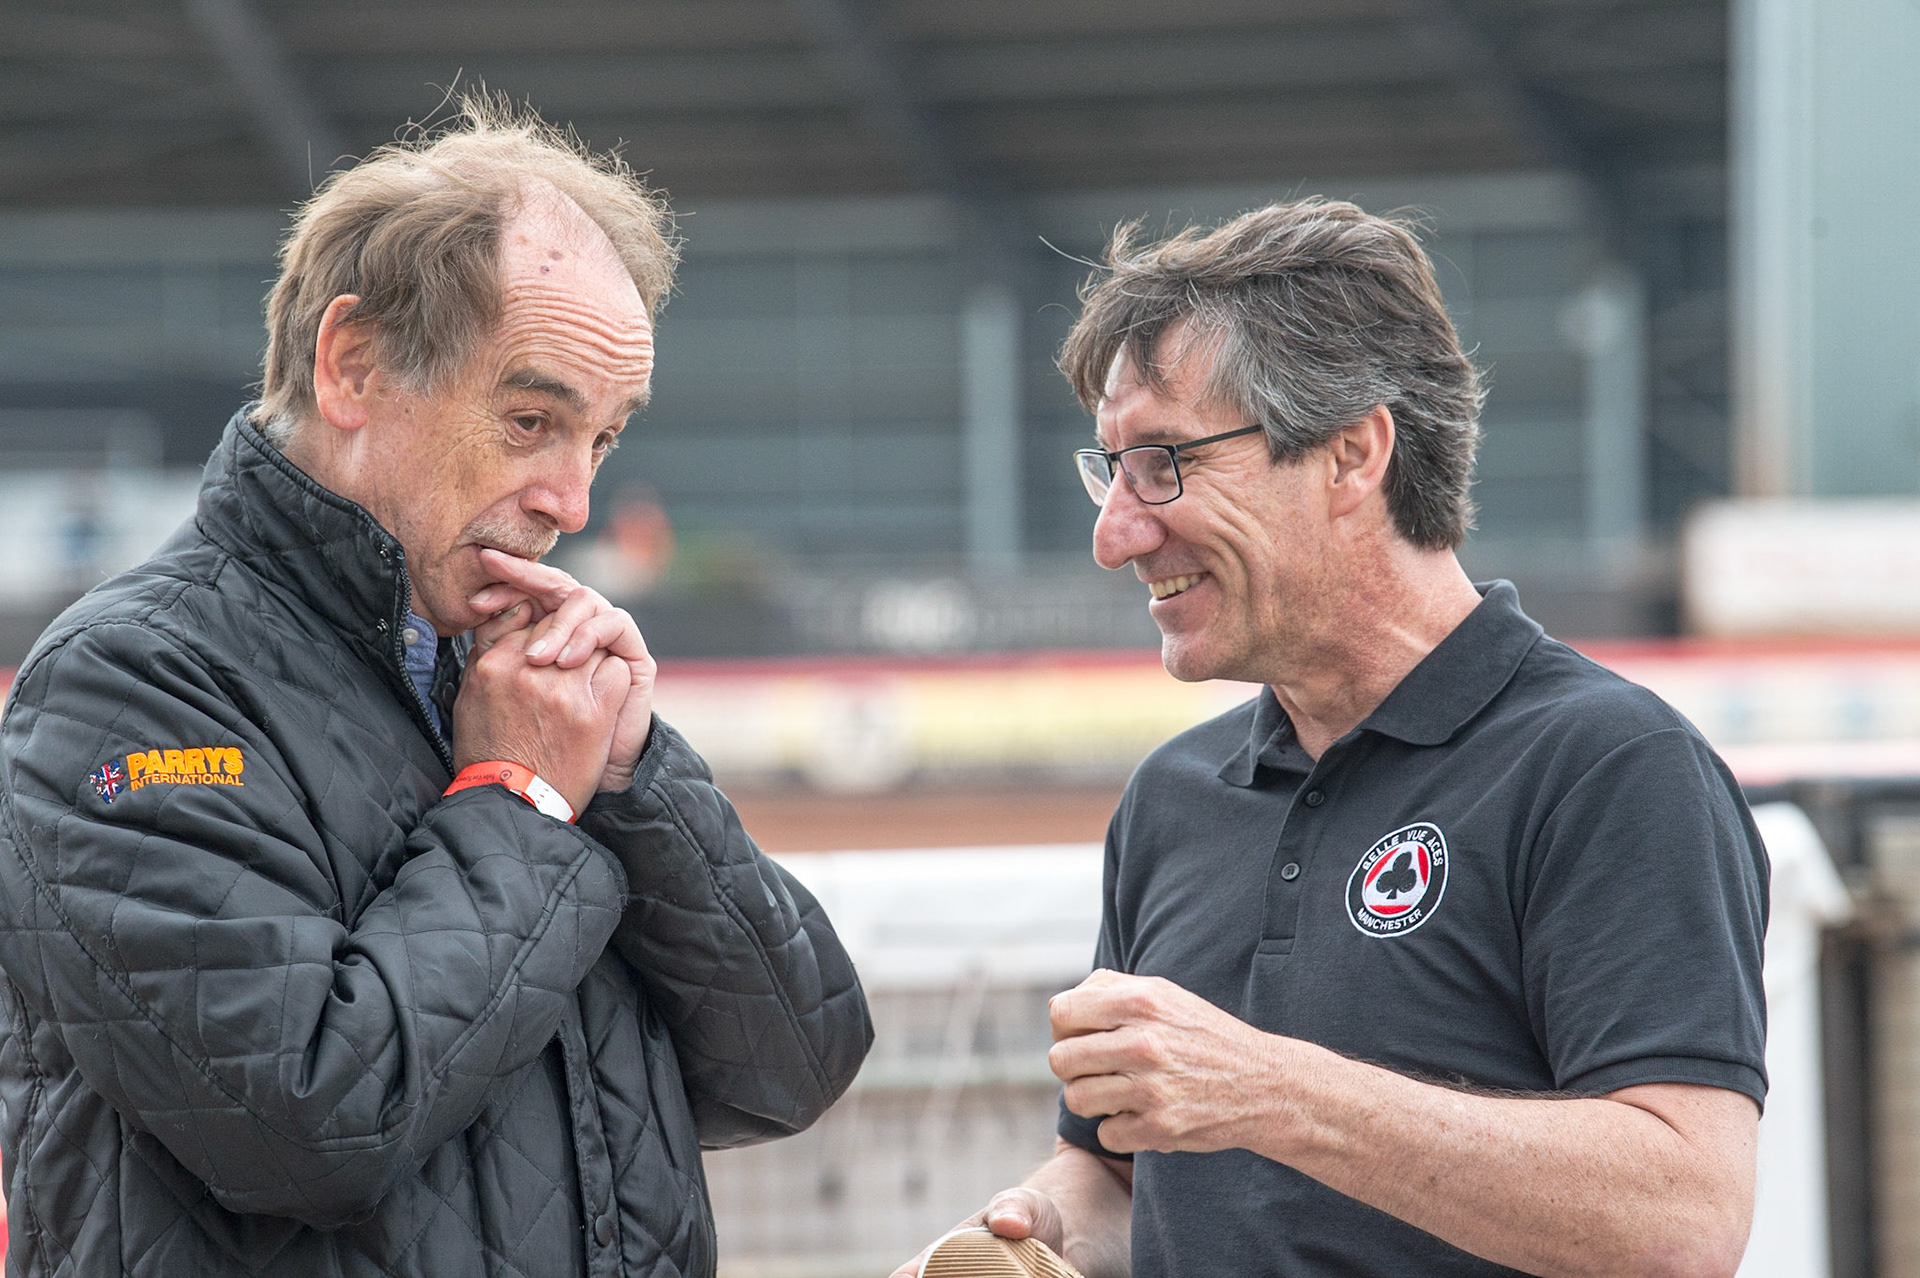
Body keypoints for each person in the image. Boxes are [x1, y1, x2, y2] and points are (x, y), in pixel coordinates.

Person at [0, 100, 872, 1277]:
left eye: (603, 440)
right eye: (530, 420)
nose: (572, 499)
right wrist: (517, 799)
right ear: (352, 367)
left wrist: (631, 774)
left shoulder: (521, 676)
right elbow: (303, 1124)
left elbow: (798, 1064)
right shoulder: (124, 687)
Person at [897, 200, 1766, 1277]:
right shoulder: (1175, 793)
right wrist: (1039, 1229)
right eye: (1109, 468)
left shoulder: (1609, 766)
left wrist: (1272, 1092)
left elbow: (1681, 1219)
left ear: (1353, 454)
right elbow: (1127, 1171)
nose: (1115, 533)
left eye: (1164, 462)